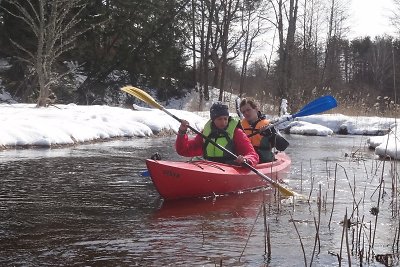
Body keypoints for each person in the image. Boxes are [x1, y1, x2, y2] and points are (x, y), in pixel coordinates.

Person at [176, 101, 259, 166]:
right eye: (219, 119)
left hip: (231, 168)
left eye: (225, 119)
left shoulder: (237, 133)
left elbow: (253, 155)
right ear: (213, 119)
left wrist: (246, 159)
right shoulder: (206, 133)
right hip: (209, 167)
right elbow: (183, 150)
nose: (223, 122)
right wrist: (182, 132)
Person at [239, 98, 275, 163]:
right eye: (243, 112)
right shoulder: (240, 126)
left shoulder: (268, 126)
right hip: (246, 160)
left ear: (256, 109)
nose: (246, 113)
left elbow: (282, 146)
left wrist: (271, 135)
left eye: (248, 110)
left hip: (264, 160)